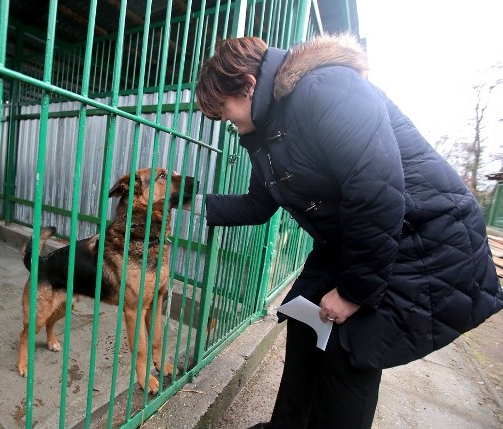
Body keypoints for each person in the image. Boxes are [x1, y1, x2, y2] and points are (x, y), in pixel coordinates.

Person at [194, 33, 503, 429]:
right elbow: (258, 205)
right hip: (355, 238)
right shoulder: (267, 130)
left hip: (421, 239)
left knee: (348, 353)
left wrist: (354, 292)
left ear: (249, 85)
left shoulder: (326, 87)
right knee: (306, 326)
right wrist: (180, 206)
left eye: (225, 112)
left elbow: (376, 191)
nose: (229, 124)